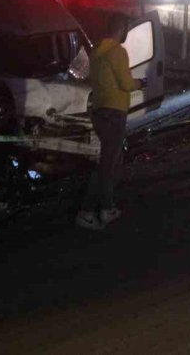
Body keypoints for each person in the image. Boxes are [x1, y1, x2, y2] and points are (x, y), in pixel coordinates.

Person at [76, 12, 147, 230]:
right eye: (126, 27)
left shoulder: (97, 51)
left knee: (112, 161)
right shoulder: (118, 52)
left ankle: (107, 206)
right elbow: (126, 83)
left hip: (99, 111)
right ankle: (88, 211)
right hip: (114, 113)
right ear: (122, 28)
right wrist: (140, 82)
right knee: (107, 164)